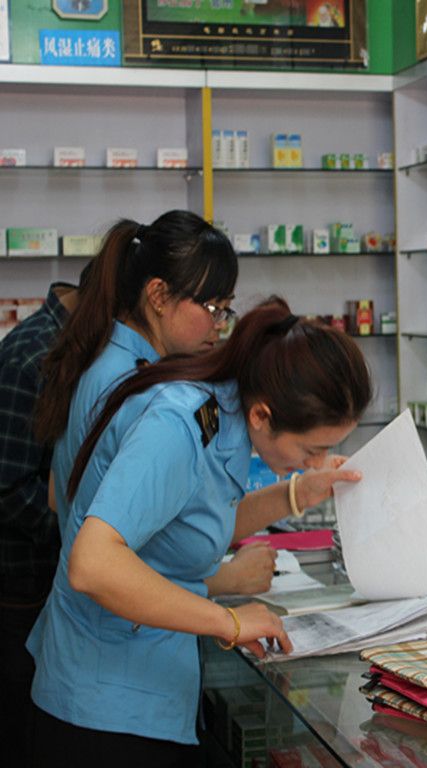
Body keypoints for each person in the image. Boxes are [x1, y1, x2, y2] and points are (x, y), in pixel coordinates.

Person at [27, 299, 372, 766]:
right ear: (262, 416)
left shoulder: (224, 411)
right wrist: (230, 622)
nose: (317, 460)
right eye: (312, 449)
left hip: (150, 682)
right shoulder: (178, 425)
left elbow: (192, 525)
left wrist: (298, 493)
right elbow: (92, 565)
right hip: (104, 702)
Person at [35, 211, 276, 598]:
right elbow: (112, 557)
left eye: (226, 310)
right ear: (160, 296)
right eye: (212, 308)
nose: (220, 324)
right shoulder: (133, 384)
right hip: (111, 622)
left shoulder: (118, 357)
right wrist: (223, 582)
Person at [0, 267, 89, 767]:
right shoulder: (32, 356)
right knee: (21, 728)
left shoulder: (70, 350)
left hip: (46, 578)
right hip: (20, 585)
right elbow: (7, 486)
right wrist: (76, 536)